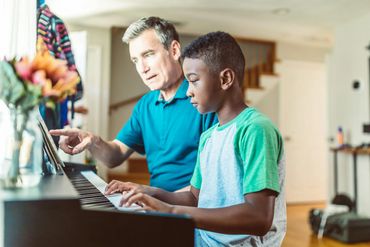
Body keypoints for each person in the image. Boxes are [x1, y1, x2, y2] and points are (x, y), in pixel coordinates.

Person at [106, 31, 286, 246]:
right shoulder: (209, 136)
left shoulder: (255, 129)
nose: (189, 92)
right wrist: (148, 191)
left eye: (193, 81)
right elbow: (194, 197)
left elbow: (258, 218)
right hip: (205, 238)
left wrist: (172, 211)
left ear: (225, 79)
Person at [50, 17, 217, 192]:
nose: (142, 68)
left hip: (192, 210)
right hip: (160, 208)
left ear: (174, 50)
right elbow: (114, 156)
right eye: (135, 60)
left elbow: (214, 180)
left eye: (148, 54)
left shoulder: (204, 101)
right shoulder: (145, 105)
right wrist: (93, 141)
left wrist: (153, 197)